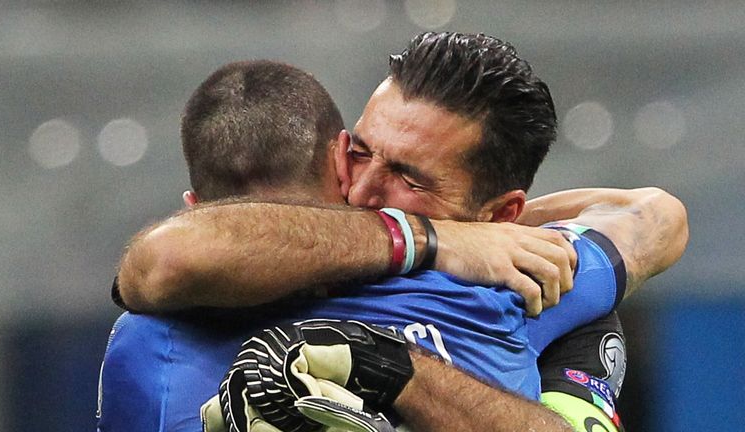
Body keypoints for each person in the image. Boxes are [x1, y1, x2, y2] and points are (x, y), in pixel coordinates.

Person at [106, 33, 687, 431]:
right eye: (360, 153)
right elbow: (167, 258)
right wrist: (431, 235)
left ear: (499, 214)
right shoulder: (163, 330)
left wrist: (395, 366)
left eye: (410, 179)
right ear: (339, 148)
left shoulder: (507, 280)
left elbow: (657, 217)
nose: (360, 193)